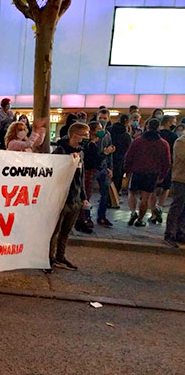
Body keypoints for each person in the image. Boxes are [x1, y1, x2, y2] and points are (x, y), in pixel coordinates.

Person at [47, 122, 90, 272]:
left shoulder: (81, 152)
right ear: (74, 136)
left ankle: (60, 256)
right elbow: (51, 172)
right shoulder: (60, 151)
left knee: (66, 231)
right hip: (61, 198)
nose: (87, 138)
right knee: (54, 231)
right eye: (84, 135)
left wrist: (83, 196)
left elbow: (81, 175)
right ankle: (48, 259)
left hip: (75, 198)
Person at [124, 118, 171, 227]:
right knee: (145, 198)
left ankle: (133, 212)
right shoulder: (163, 144)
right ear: (158, 128)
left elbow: (129, 156)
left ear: (147, 127)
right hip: (152, 173)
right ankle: (140, 219)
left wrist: (127, 170)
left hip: (137, 171)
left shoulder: (138, 140)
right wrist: (162, 175)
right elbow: (167, 161)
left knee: (132, 192)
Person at [149, 115, 179, 224]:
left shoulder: (156, 135)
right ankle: (160, 206)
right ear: (170, 122)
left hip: (154, 165)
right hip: (168, 164)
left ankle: (153, 213)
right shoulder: (174, 136)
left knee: (153, 190)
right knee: (165, 188)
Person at [93, 109, 115, 227]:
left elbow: (109, 151)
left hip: (103, 167)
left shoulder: (108, 135)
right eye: (100, 118)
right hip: (93, 166)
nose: (102, 120)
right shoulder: (92, 132)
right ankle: (85, 216)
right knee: (87, 193)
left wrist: (110, 167)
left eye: (105, 118)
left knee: (105, 193)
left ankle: (101, 216)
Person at [164, 131, 185, 247]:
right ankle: (170, 233)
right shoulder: (181, 141)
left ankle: (181, 232)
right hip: (180, 179)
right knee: (177, 205)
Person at [109, 114, 132, 196]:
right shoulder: (126, 135)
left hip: (109, 157)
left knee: (108, 178)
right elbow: (129, 148)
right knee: (118, 178)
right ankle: (115, 196)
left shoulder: (109, 131)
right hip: (121, 159)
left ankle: (106, 196)